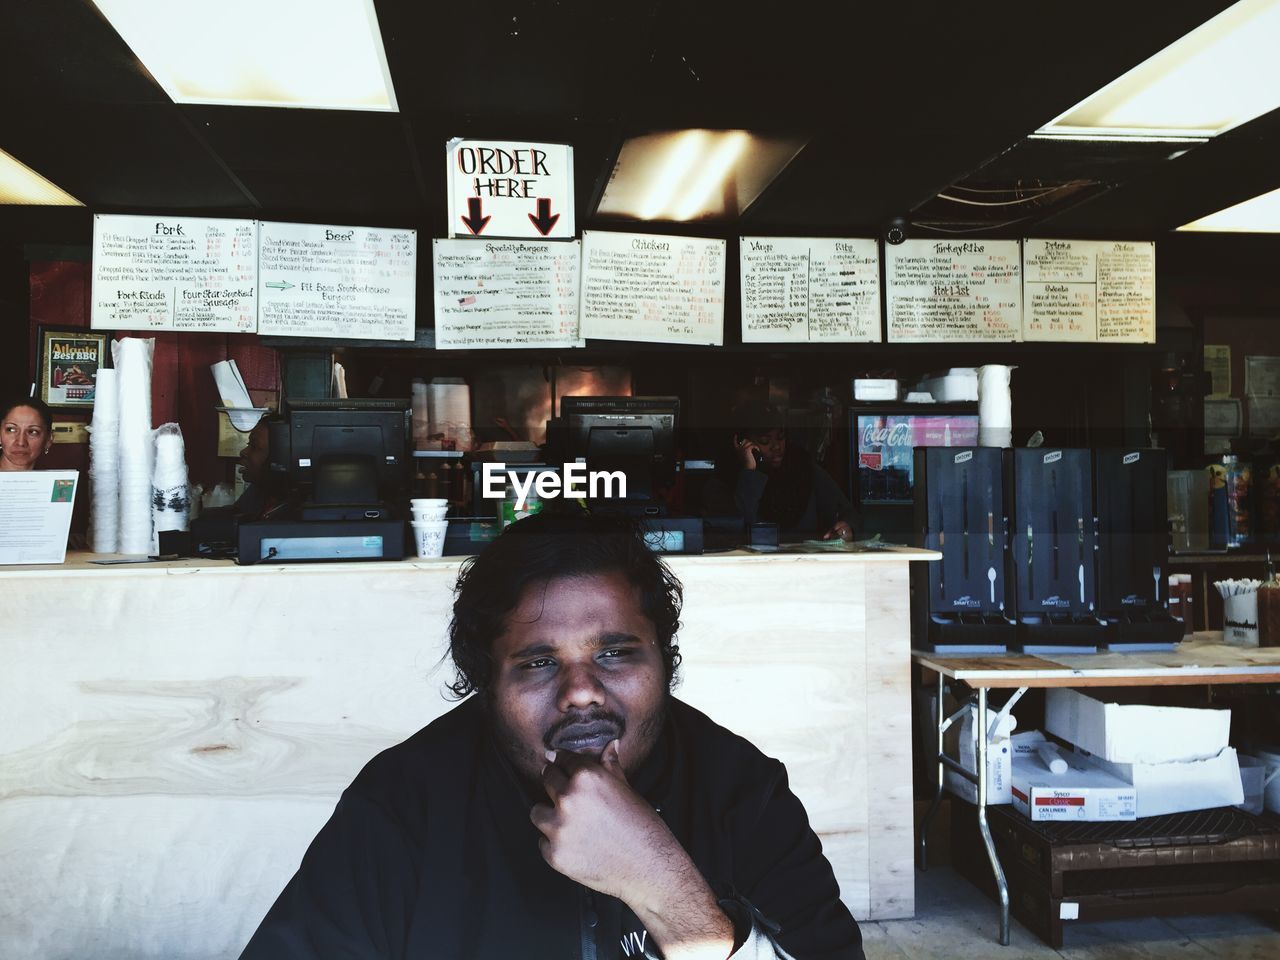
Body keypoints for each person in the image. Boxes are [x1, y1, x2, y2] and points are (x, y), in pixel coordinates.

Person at [240, 511, 865, 960]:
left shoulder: (740, 788)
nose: (581, 691)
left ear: (664, 661)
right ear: (485, 684)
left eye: (616, 653)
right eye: (538, 663)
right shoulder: (405, 802)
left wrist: (667, 891)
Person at [703, 401, 858, 542]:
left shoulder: (803, 469)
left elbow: (848, 512)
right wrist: (749, 473)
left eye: (780, 438)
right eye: (765, 441)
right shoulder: (725, 480)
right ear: (742, 443)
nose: (776, 447)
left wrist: (847, 528)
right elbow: (734, 529)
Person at [0, 396, 54, 472]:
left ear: (49, 439)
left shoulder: (51, 482)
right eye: (11, 429)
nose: (21, 442)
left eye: (33, 432)